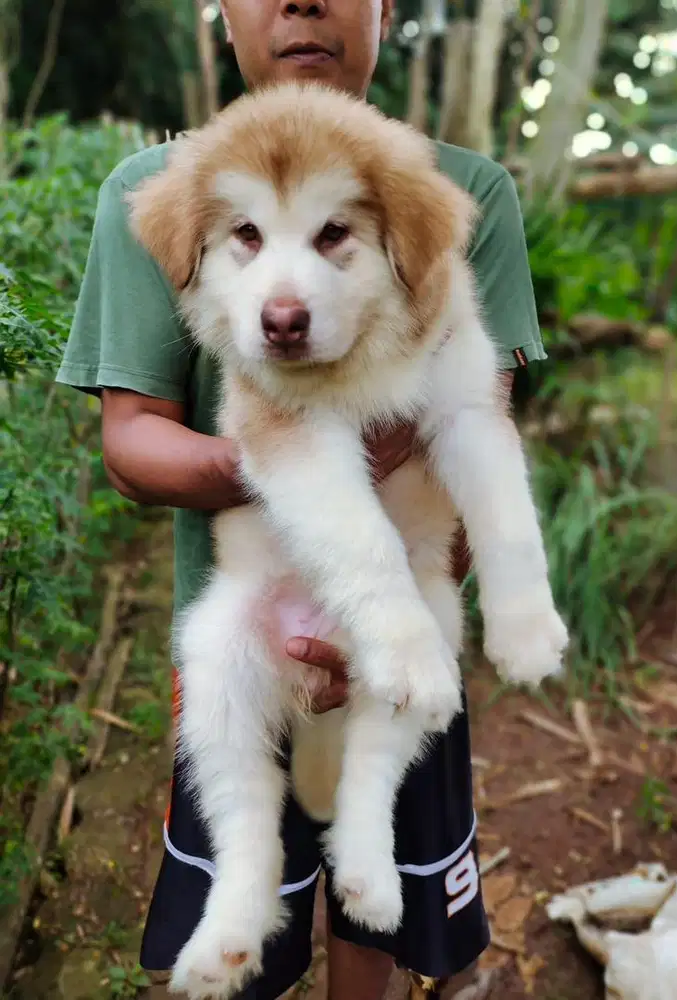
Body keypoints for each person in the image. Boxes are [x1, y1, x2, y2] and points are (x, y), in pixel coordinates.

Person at [55, 1, 548, 997]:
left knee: (377, 903)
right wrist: (281, 471)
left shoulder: (460, 191)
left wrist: (410, 608)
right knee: (245, 919)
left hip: (406, 602)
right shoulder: (157, 191)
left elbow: (473, 427)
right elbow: (131, 441)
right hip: (252, 612)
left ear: (385, 11)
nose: (302, 1)